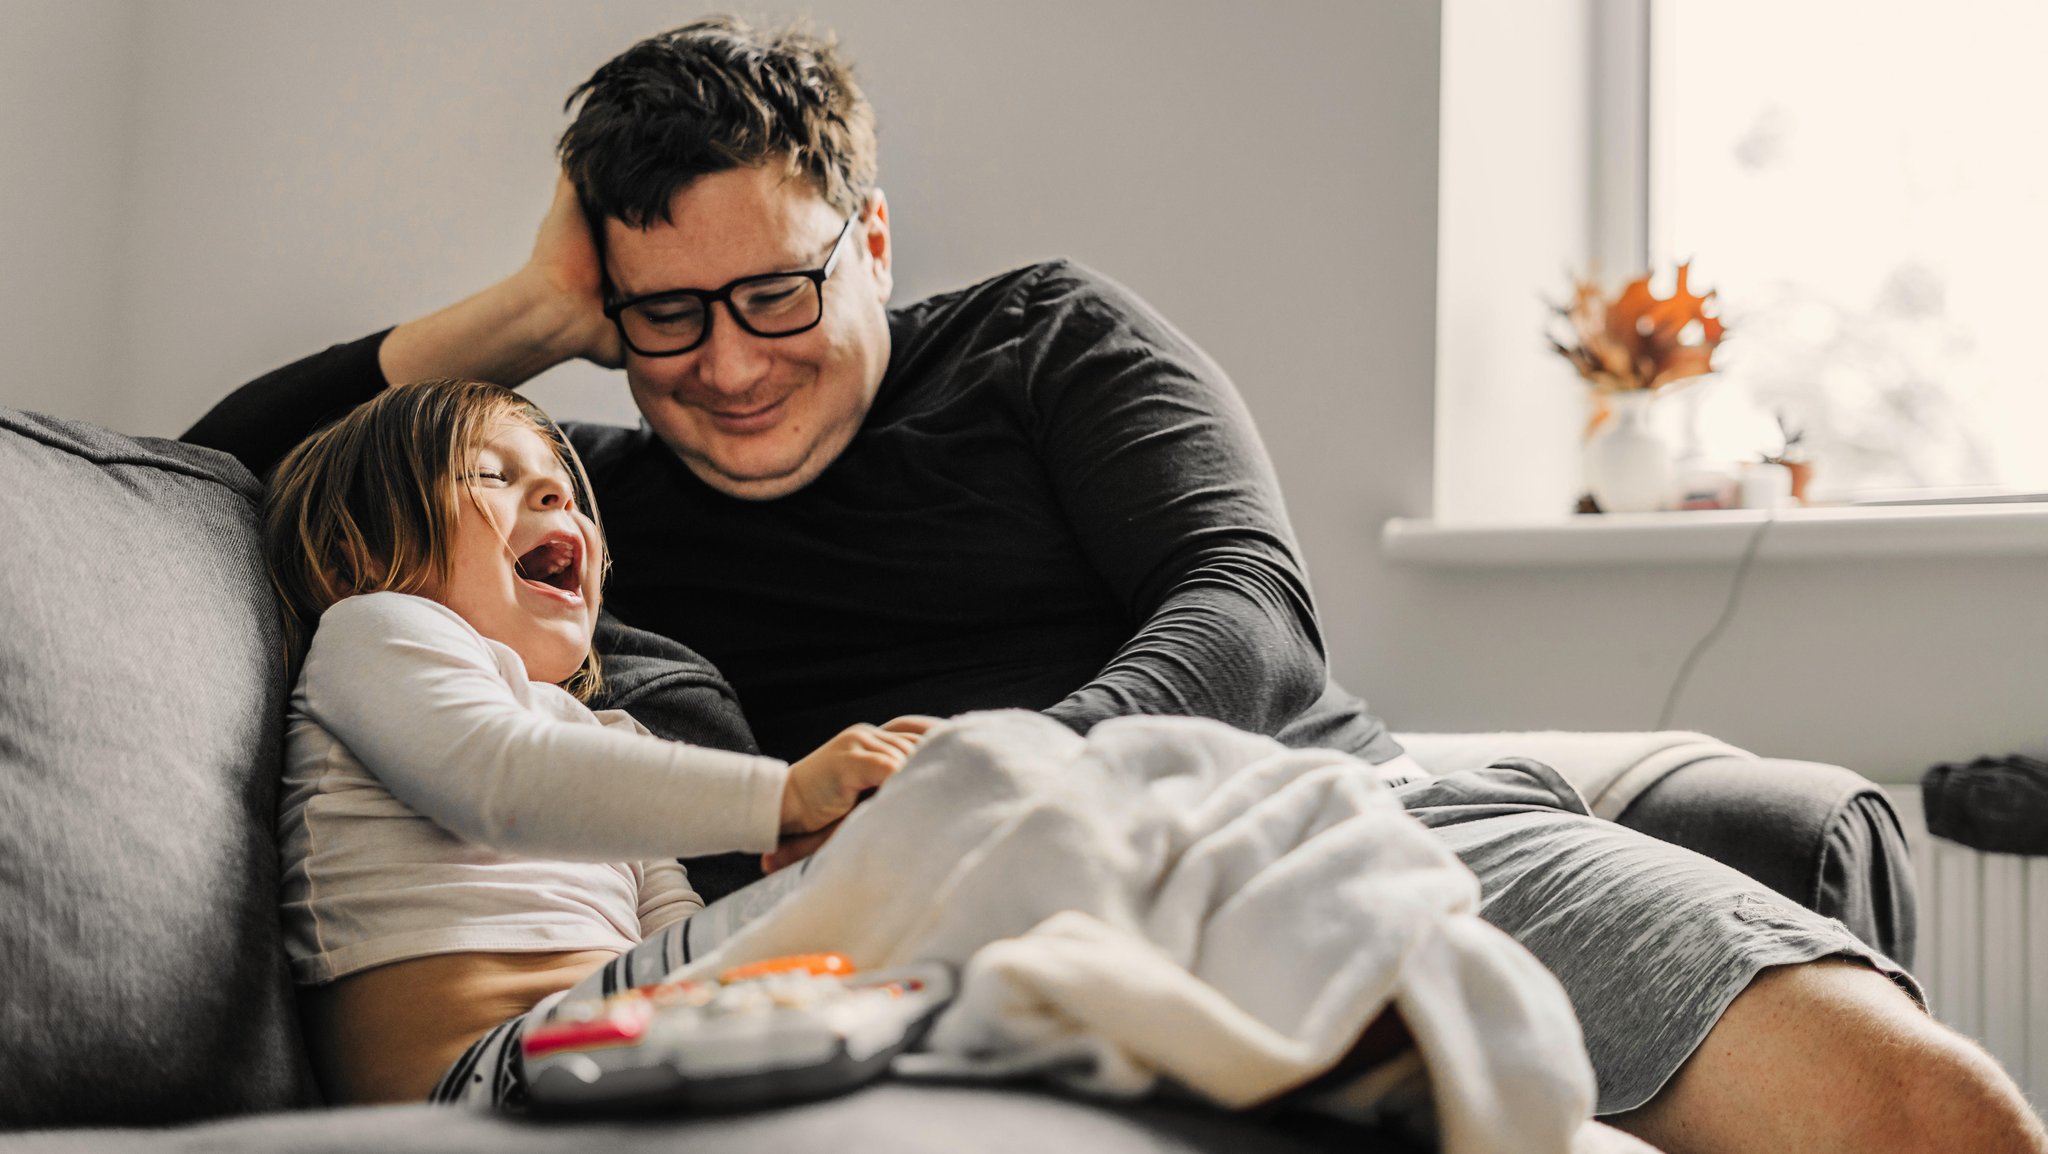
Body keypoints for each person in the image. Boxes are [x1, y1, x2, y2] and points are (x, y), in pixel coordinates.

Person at [188, 16, 2047, 1152]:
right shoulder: (580, 509)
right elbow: (224, 464)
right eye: (661, 315)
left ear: (875, 242)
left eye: (776, 292)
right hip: (957, 934)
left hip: (1300, 810)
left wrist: (1018, 758)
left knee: (1917, 1112)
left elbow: (1242, 608)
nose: (729, 364)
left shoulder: (1043, 339)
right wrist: (525, 317)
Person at [263, 377, 930, 1105]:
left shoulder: (610, 737)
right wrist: (786, 797)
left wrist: (840, 857)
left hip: (626, 1023)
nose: (558, 493)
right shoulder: (374, 626)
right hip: (487, 1070)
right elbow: (498, 780)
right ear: (349, 557)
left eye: (568, 491)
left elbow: (675, 938)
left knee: (952, 794)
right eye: (493, 473)